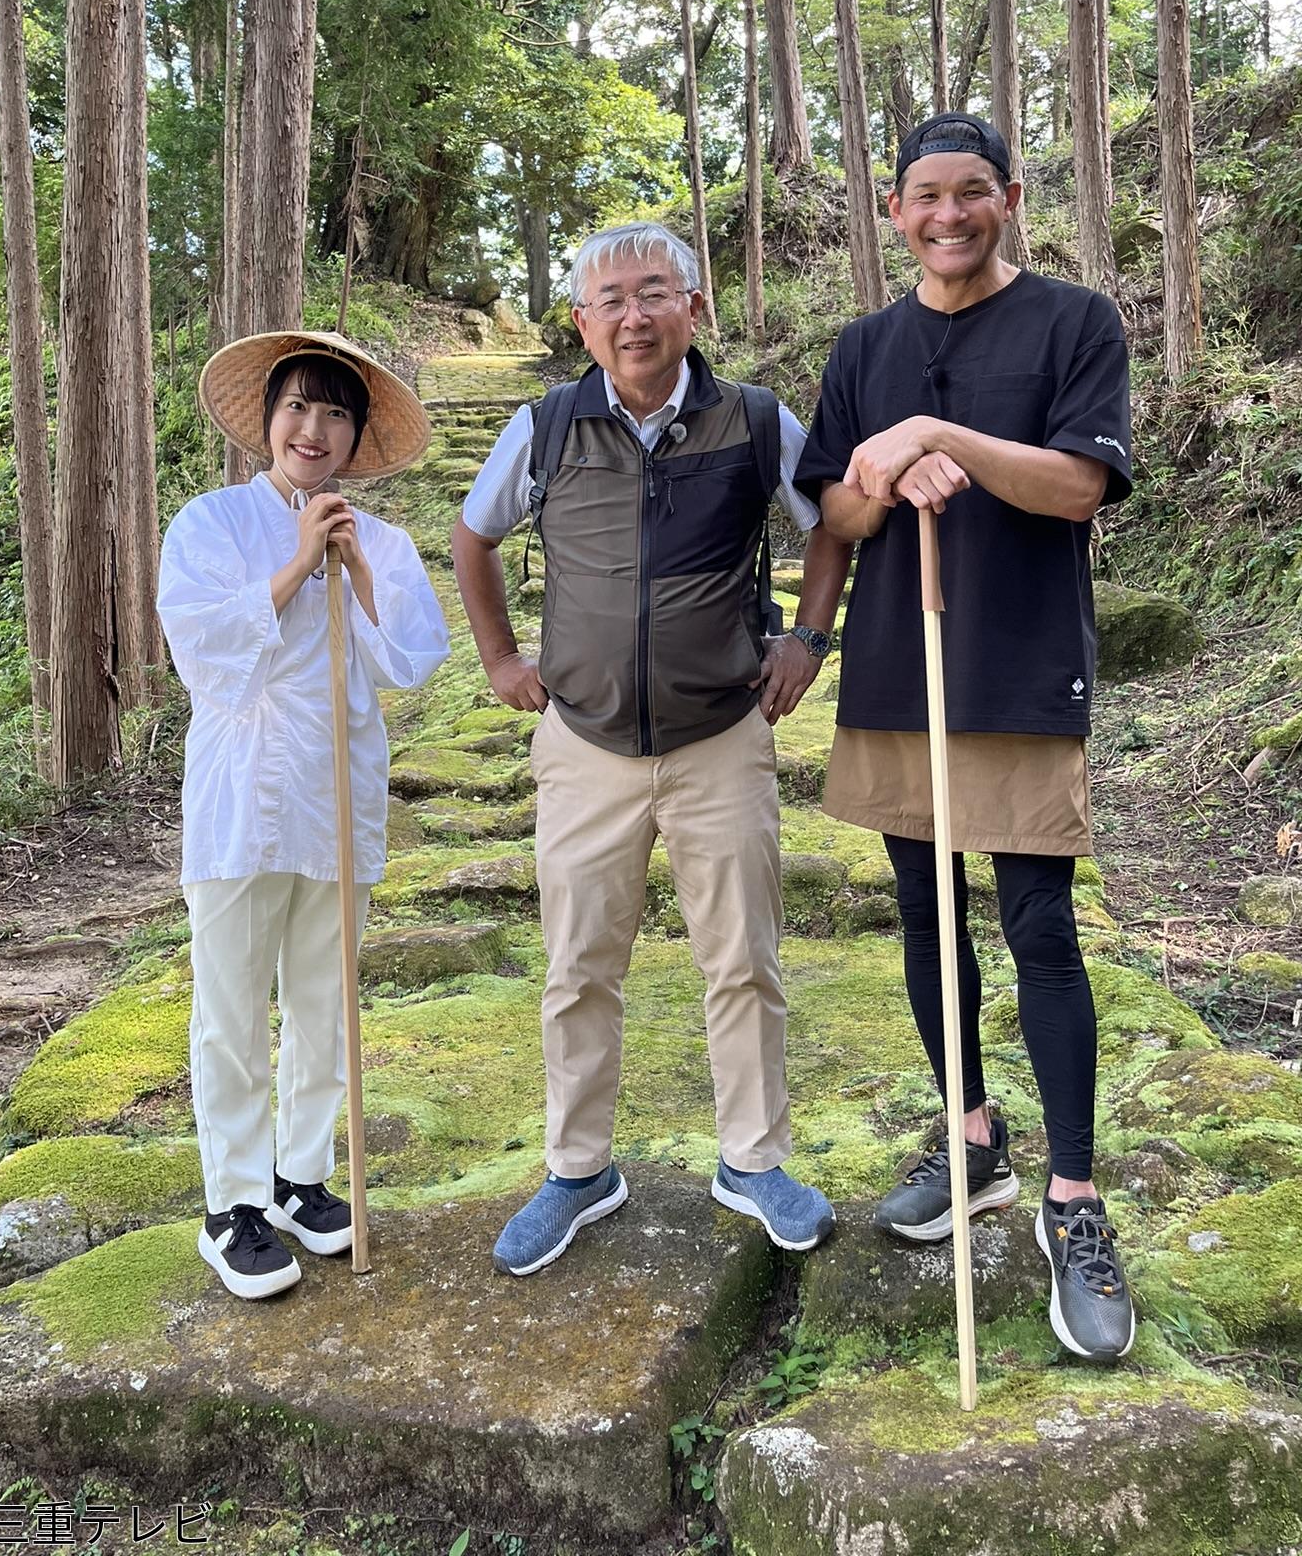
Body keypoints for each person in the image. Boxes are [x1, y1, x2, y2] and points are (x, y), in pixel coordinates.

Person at [794, 113, 1137, 1363]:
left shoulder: (1073, 323)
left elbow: (1077, 486)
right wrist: (884, 476)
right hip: (899, 666)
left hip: (1019, 662)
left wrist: (945, 440)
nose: (949, 215)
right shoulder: (864, 345)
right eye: (925, 196)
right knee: (927, 916)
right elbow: (833, 505)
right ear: (894, 210)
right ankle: (974, 1135)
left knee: (1037, 923)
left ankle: (1075, 1199)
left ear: (1009, 199)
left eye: (972, 193)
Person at [452, 221, 851, 1277]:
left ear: (694, 306)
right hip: (583, 742)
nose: (634, 315)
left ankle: (754, 1159)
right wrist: (500, 658)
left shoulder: (758, 419)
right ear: (582, 324)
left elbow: (833, 523)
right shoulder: (544, 425)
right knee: (579, 963)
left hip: (723, 733)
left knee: (743, 958)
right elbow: (473, 534)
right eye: (611, 300)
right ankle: (579, 1167)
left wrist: (807, 638)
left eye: (653, 292)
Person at [159, 329, 449, 1300]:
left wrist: (355, 568)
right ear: (266, 422)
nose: (312, 427)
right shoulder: (209, 522)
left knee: (324, 999)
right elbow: (202, 650)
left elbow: (407, 660)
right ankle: (233, 1201)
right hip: (242, 795)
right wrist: (293, 561)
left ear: (357, 437)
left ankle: (303, 1175)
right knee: (234, 1006)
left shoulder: (388, 543)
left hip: (338, 792)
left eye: (335, 411)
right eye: (297, 406)